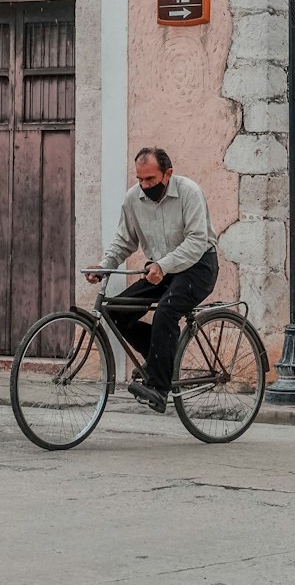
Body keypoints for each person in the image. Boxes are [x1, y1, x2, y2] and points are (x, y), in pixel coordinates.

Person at [87, 147, 218, 413]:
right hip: (161, 268)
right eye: (140, 180)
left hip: (199, 265)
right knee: (116, 311)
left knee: (167, 311)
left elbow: (196, 241)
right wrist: (104, 266)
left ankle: (159, 388)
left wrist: (163, 264)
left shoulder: (189, 192)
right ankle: (161, 360)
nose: (144, 186)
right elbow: (125, 241)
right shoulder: (133, 199)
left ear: (168, 174)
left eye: (151, 180)